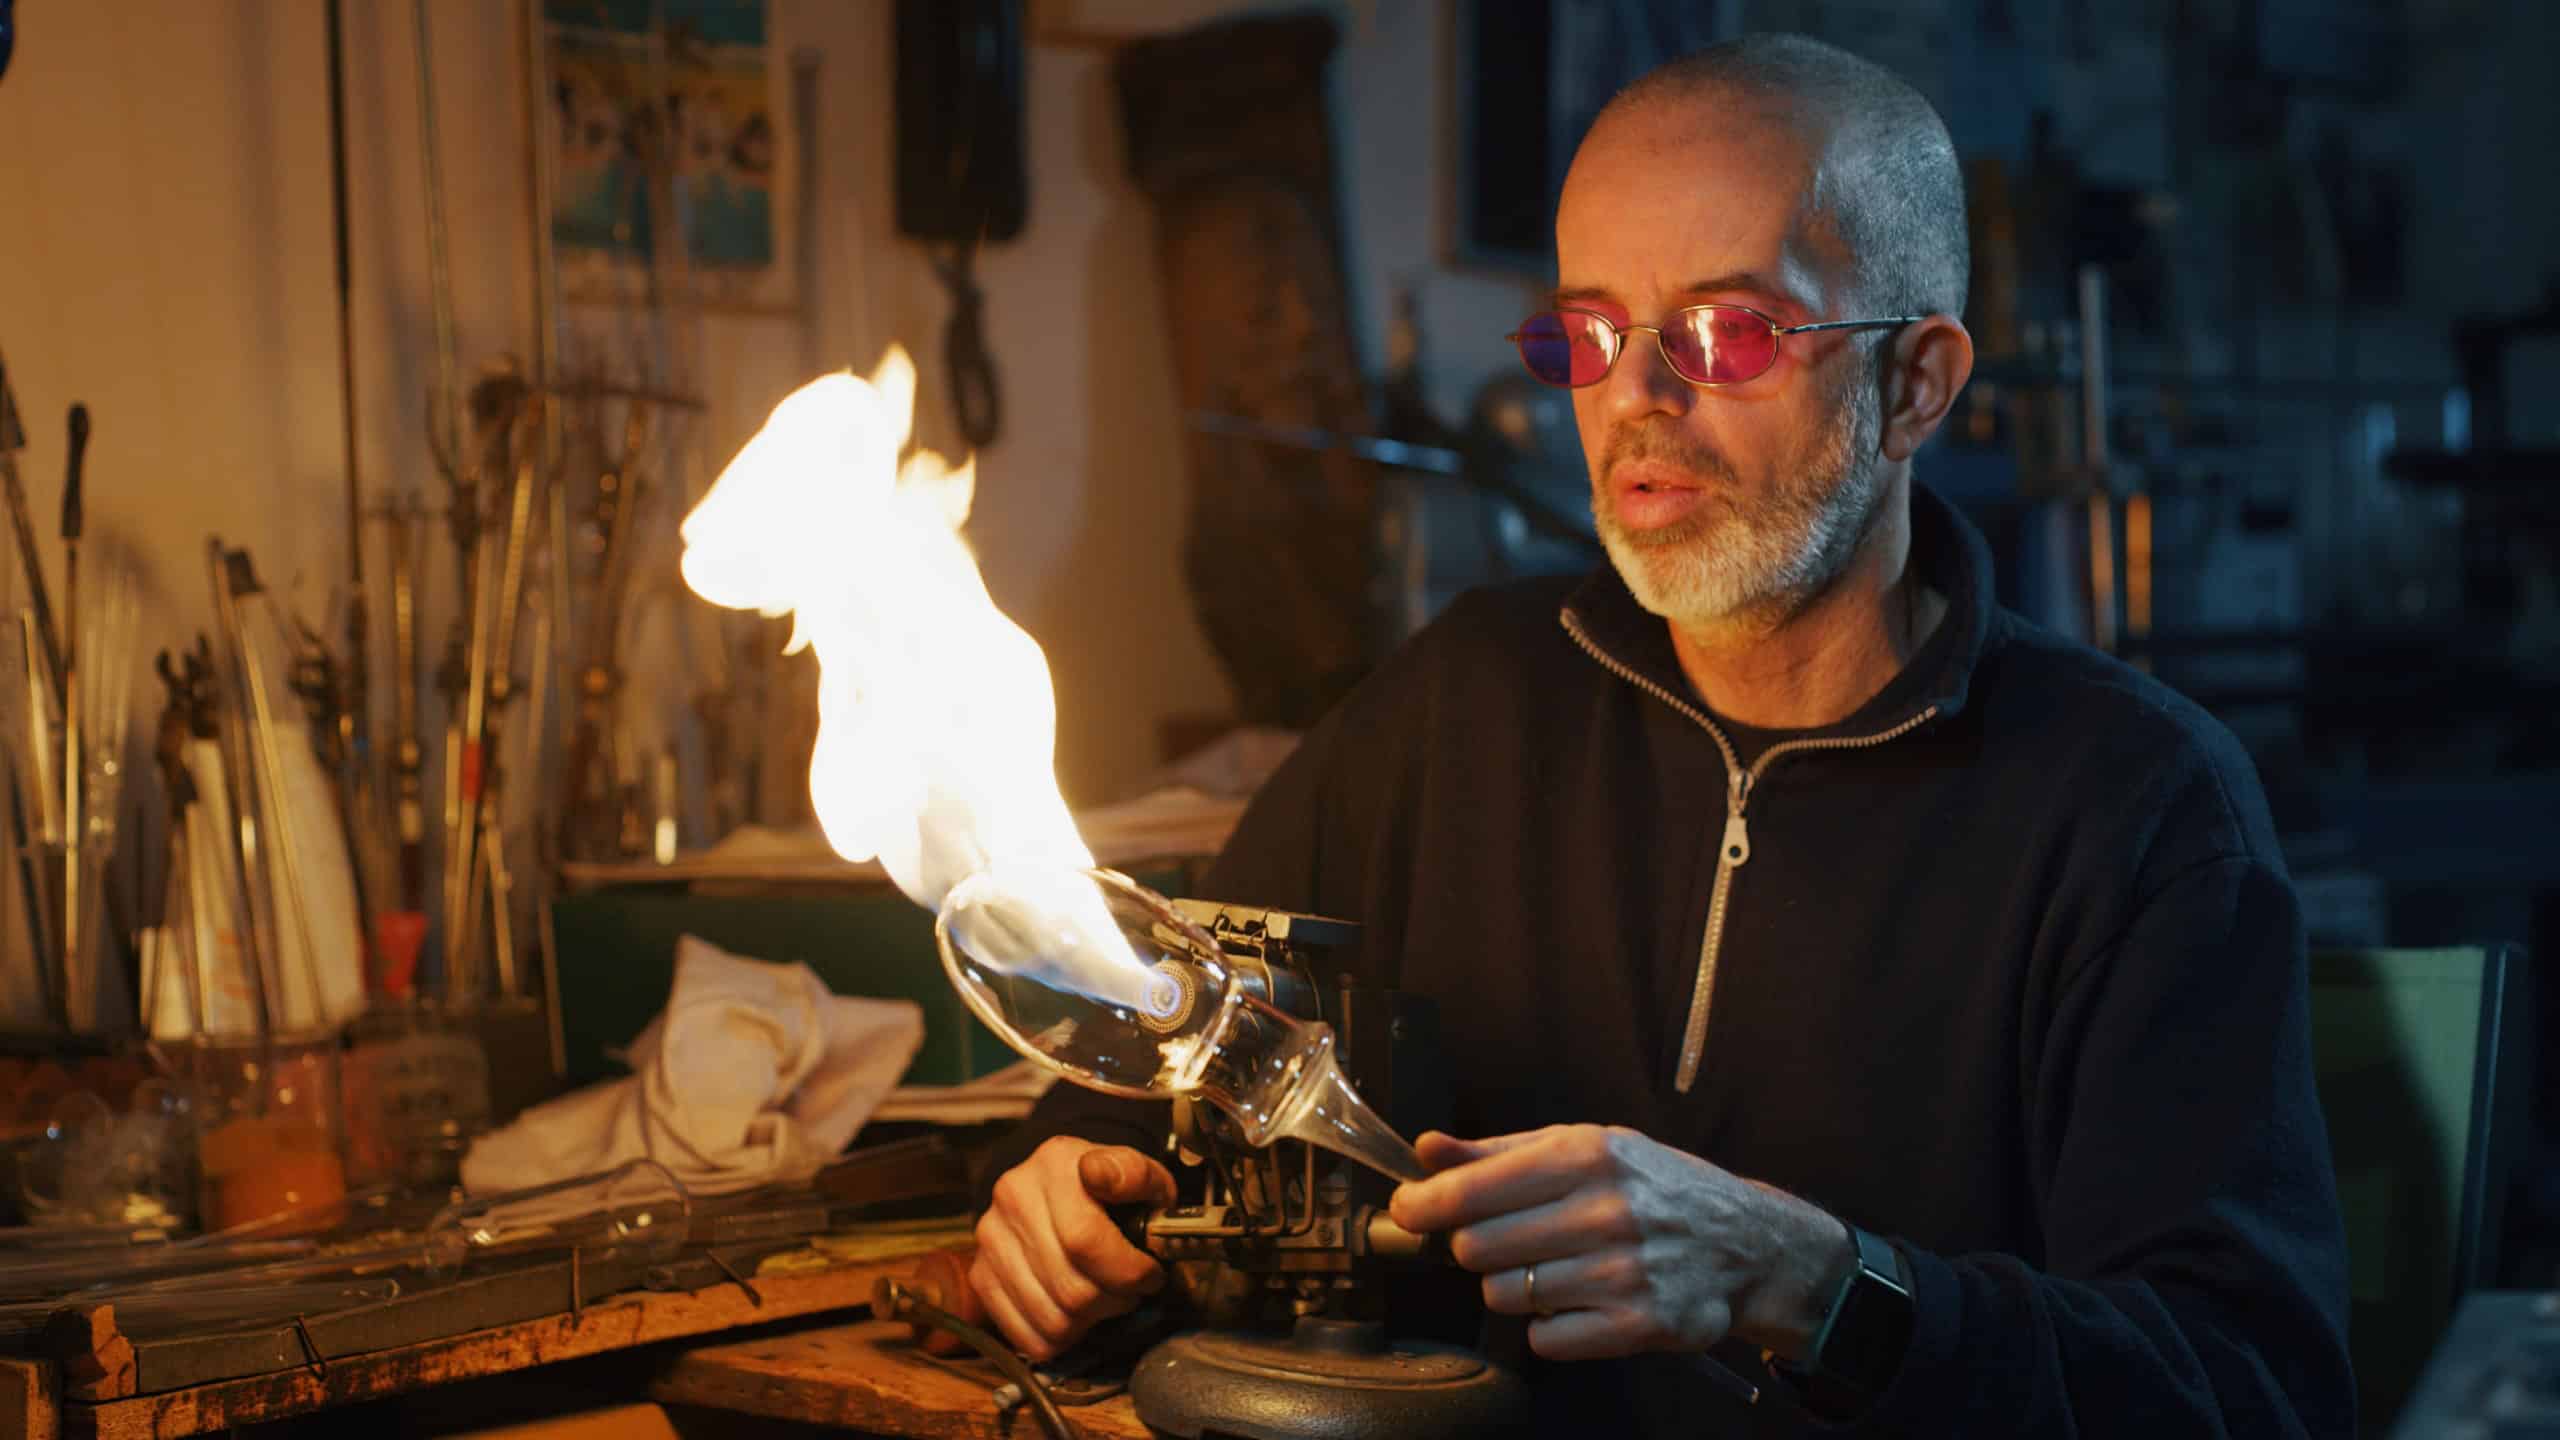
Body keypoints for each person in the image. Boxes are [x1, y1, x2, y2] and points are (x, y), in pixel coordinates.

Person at [968, 33, 2354, 1437]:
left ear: (1918, 384)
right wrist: (1064, 1191)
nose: (1636, 398)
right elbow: (1147, 1070)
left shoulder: (2136, 807)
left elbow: (2244, 1392)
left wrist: (1818, 1286)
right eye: (1586, 334)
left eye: (1727, 332)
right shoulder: (1456, 707)